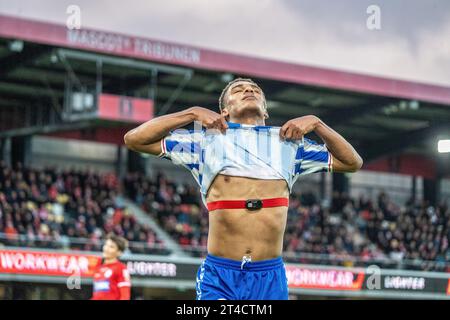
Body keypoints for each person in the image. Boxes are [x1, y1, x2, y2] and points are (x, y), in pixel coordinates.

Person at [124, 78, 363, 300]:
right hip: (220, 276)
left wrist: (317, 123)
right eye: (238, 90)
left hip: (270, 277)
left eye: (255, 90)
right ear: (224, 111)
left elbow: (352, 163)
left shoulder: (291, 145)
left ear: (266, 110)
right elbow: (135, 139)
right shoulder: (204, 141)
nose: (249, 90)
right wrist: (192, 113)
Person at [91, 233, 131, 300]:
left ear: (119, 252)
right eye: (106, 245)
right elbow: (97, 296)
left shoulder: (121, 268)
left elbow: (125, 296)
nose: (106, 248)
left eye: (111, 247)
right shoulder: (99, 268)